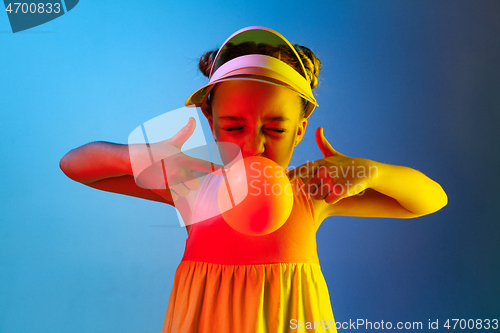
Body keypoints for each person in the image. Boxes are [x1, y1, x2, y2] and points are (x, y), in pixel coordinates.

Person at [60, 26, 448, 333]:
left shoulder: (313, 188)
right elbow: (75, 166)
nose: (255, 144)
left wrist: (372, 172)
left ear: (299, 130)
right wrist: (138, 157)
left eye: (275, 129)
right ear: (211, 125)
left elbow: (430, 200)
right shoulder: (192, 181)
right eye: (234, 126)